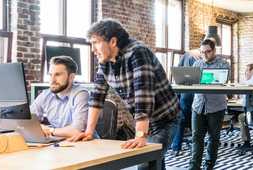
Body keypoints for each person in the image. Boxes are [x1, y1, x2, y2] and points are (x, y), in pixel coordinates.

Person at [69, 19, 179, 170]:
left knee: (145, 163)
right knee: (155, 163)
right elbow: (96, 96)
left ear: (113, 41)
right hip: (145, 121)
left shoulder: (137, 52)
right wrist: (88, 131)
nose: (92, 49)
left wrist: (140, 136)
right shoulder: (105, 61)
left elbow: (143, 96)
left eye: (95, 42)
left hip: (164, 119)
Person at [189, 39, 230, 170]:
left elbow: (222, 80)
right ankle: (194, 167)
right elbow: (193, 82)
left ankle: (208, 166)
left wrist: (207, 79)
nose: (205, 55)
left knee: (213, 138)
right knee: (196, 138)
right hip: (198, 106)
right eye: (202, 52)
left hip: (216, 107)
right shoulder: (196, 64)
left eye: (208, 51)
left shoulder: (223, 64)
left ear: (214, 51)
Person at [30, 56, 89, 138]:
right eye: (50, 75)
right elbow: (28, 122)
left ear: (71, 77)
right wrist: (39, 127)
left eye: (57, 75)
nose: (52, 80)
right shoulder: (46, 95)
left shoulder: (81, 94)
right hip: (61, 144)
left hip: (86, 145)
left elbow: (76, 131)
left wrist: (50, 130)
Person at [171, 51, 201, 156]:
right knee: (195, 118)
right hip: (193, 93)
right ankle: (196, 146)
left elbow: (178, 73)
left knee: (181, 119)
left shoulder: (187, 55)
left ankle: (176, 146)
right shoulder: (197, 58)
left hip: (184, 92)